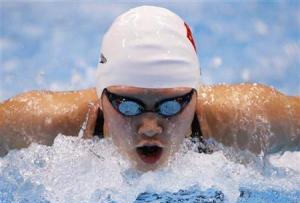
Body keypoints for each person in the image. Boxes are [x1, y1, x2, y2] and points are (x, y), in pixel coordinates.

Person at [0, 6, 299, 171]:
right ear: (101, 96)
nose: (151, 127)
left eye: (171, 105)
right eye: (128, 105)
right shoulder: (42, 124)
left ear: (195, 96)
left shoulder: (247, 120)